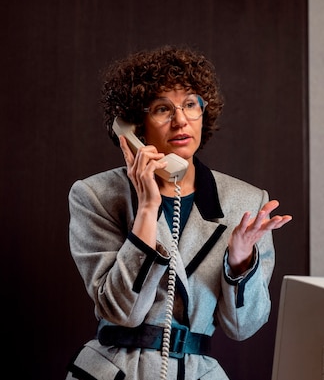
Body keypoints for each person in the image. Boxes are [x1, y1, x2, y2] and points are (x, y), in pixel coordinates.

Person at [66, 45, 292, 380]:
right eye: (162, 108)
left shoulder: (246, 202)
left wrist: (241, 262)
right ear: (133, 125)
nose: (181, 120)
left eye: (190, 105)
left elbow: (243, 328)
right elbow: (122, 312)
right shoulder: (95, 195)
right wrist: (146, 207)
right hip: (115, 370)